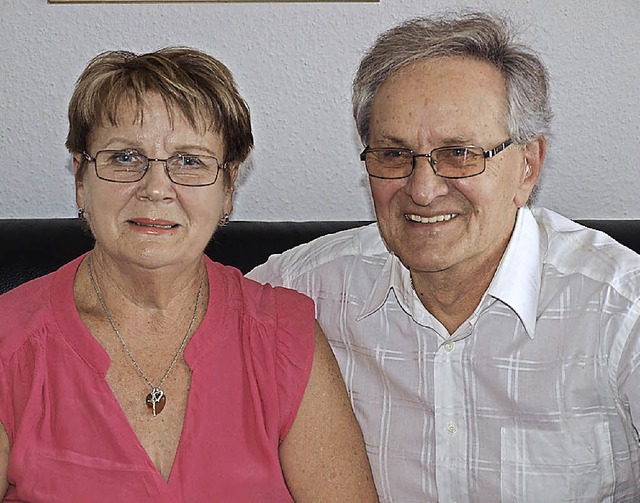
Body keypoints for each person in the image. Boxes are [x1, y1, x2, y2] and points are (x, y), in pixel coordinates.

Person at [248, 12, 640, 502]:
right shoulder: (301, 291)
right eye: (393, 154)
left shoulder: (622, 310)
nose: (423, 190)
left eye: (459, 154)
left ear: (527, 165)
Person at [0, 47, 378, 501]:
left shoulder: (284, 336)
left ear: (228, 189)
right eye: (124, 158)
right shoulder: (9, 342)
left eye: (189, 161)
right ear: (81, 180)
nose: (156, 188)